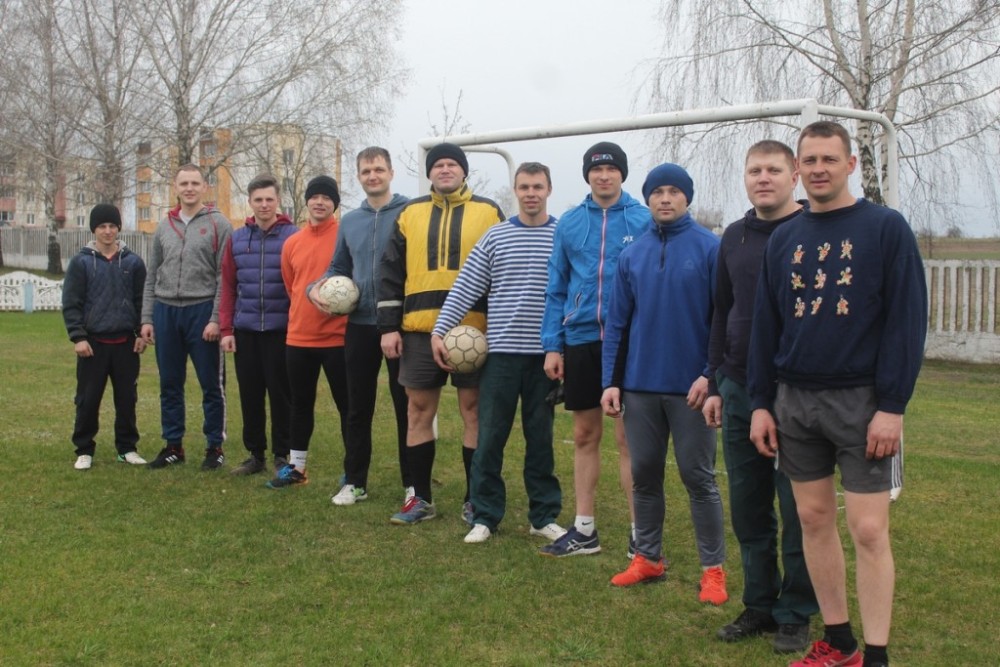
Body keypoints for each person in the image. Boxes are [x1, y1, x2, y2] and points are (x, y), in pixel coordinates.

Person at [747, 121, 928, 667]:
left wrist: (892, 407)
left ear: (850, 164)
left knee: (869, 529)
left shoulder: (885, 228)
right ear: (798, 169)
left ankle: (877, 655)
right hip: (795, 401)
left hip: (863, 403)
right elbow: (766, 326)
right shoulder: (785, 237)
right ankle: (840, 643)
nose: (819, 169)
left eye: (830, 159)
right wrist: (761, 403)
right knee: (813, 520)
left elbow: (906, 322)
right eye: (810, 160)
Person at [703, 141, 817, 652]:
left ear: (794, 176)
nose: (763, 178)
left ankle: (797, 611)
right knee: (749, 507)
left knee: (798, 509)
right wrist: (714, 380)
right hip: (738, 386)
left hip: (796, 391)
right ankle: (760, 604)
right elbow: (720, 312)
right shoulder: (734, 236)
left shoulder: (812, 232)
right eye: (754, 170)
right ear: (745, 178)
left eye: (773, 169)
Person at [599, 163, 728, 605]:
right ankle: (648, 557)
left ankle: (713, 570)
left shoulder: (710, 249)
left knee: (699, 479)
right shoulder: (632, 254)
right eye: (657, 192)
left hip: (692, 391)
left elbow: (723, 321)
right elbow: (617, 324)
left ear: (687, 197)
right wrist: (611, 382)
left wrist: (710, 376)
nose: (666, 198)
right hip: (640, 389)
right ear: (648, 199)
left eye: (674, 191)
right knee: (644, 476)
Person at [429, 162, 565, 545]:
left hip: (545, 357)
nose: (531, 193)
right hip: (501, 356)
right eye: (524, 187)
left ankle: (543, 516)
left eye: (537, 186)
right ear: (515, 190)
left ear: (549, 189)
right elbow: (466, 287)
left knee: (541, 439)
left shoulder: (563, 236)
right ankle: (485, 515)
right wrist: (440, 330)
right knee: (489, 438)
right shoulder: (496, 237)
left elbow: (574, 292)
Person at [378, 142, 503, 525]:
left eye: (452, 164)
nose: (445, 169)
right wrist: (389, 327)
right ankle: (420, 499)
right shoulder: (409, 213)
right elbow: (390, 272)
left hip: (473, 333)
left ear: (464, 171)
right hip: (418, 330)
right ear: (429, 172)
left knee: (473, 412)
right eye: (438, 165)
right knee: (418, 411)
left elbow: (502, 272)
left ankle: (474, 499)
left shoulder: (488, 212)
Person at [539, 141, 644, 557]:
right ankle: (584, 530)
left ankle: (641, 535)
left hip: (628, 343)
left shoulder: (643, 219)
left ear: (621, 174)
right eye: (596, 170)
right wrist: (553, 345)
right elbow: (556, 288)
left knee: (628, 440)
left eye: (611, 169)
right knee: (585, 434)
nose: (604, 176)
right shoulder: (569, 222)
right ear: (587, 175)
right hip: (580, 340)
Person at [311, 147, 410, 506]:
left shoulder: (410, 212)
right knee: (356, 407)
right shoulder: (350, 221)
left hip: (400, 324)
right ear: (359, 177)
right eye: (366, 171)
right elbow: (338, 267)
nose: (373, 176)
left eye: (379, 169)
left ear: (391, 172)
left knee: (407, 407)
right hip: (359, 325)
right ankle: (355, 481)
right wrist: (315, 288)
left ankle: (413, 484)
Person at [141, 164, 232, 470]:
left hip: (202, 311)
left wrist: (216, 318)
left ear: (204, 187)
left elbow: (224, 277)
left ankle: (214, 446)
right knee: (170, 383)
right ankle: (173, 445)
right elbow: (152, 274)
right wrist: (148, 318)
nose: (189, 188)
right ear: (176, 188)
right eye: (184, 183)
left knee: (211, 384)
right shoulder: (164, 226)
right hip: (166, 310)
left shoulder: (219, 224)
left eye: (195, 183)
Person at [273, 175, 350, 488]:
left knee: (349, 407)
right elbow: (292, 286)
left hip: (339, 338)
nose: (320, 202)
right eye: (315, 196)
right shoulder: (292, 243)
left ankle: (353, 470)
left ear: (335, 204)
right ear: (307, 201)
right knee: (300, 405)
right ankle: (297, 468)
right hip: (299, 338)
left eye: (327, 197)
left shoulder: (345, 236)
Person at [220, 175, 298, 476]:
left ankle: (282, 454)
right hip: (247, 330)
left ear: (278, 201)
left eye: (269, 199)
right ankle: (255, 455)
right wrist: (226, 329)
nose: (264, 205)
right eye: (258, 200)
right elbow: (228, 286)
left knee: (282, 395)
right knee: (250, 396)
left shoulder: (293, 236)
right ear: (250, 202)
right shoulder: (238, 239)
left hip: (282, 330)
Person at [62, 204, 147, 470]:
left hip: (126, 344)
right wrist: (78, 337)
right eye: (102, 226)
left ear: (118, 228)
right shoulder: (81, 262)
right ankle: (84, 449)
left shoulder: (133, 262)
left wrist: (140, 333)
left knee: (127, 399)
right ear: (94, 230)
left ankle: (127, 448)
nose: (107, 231)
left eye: (112, 226)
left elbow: (141, 301)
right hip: (93, 344)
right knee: (87, 400)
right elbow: (72, 303)